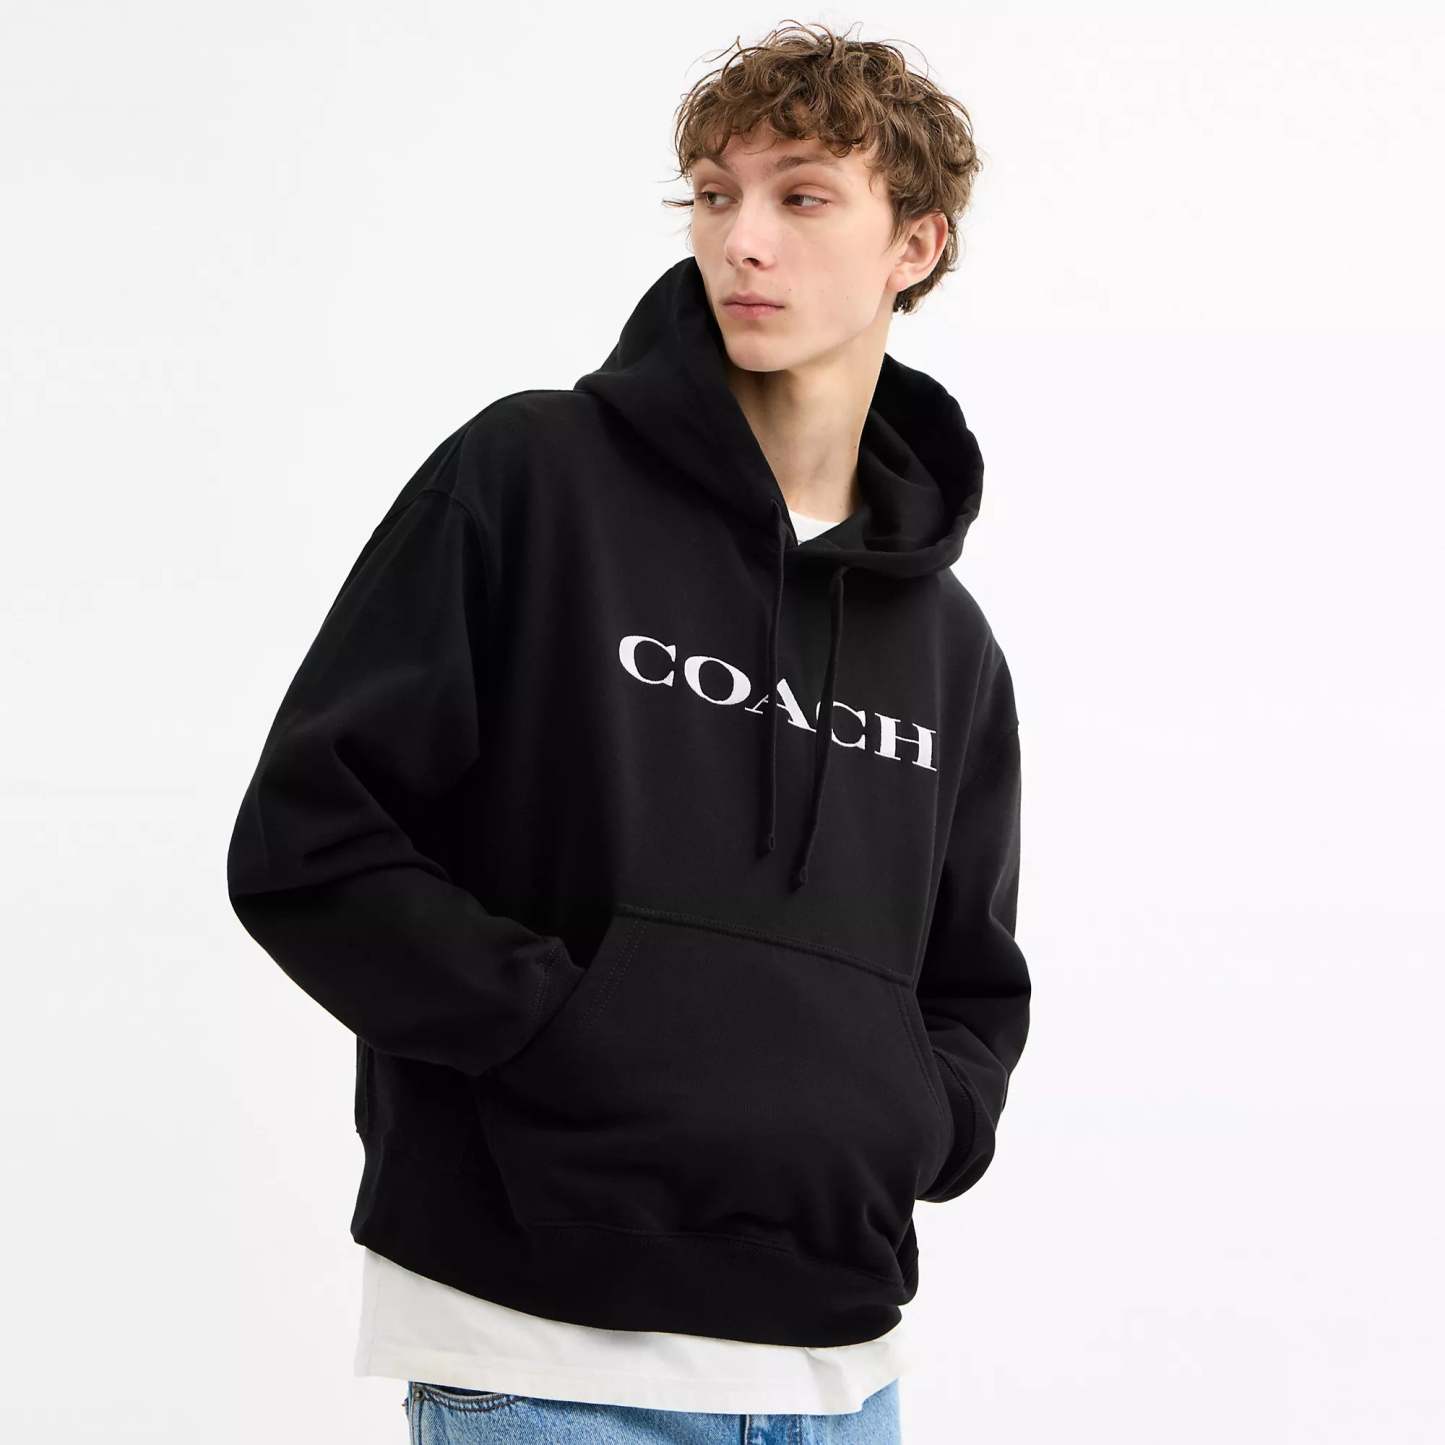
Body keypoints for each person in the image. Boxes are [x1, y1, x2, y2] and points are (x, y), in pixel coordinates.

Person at [226, 20, 1030, 1442]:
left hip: (841, 1371)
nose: (742, 241)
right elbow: (314, 841)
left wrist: (912, 1112)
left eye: (801, 196)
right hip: (540, 1348)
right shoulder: (532, 479)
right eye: (714, 196)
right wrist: (566, 1030)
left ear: (914, 244)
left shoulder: (946, 641)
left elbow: (968, 985)